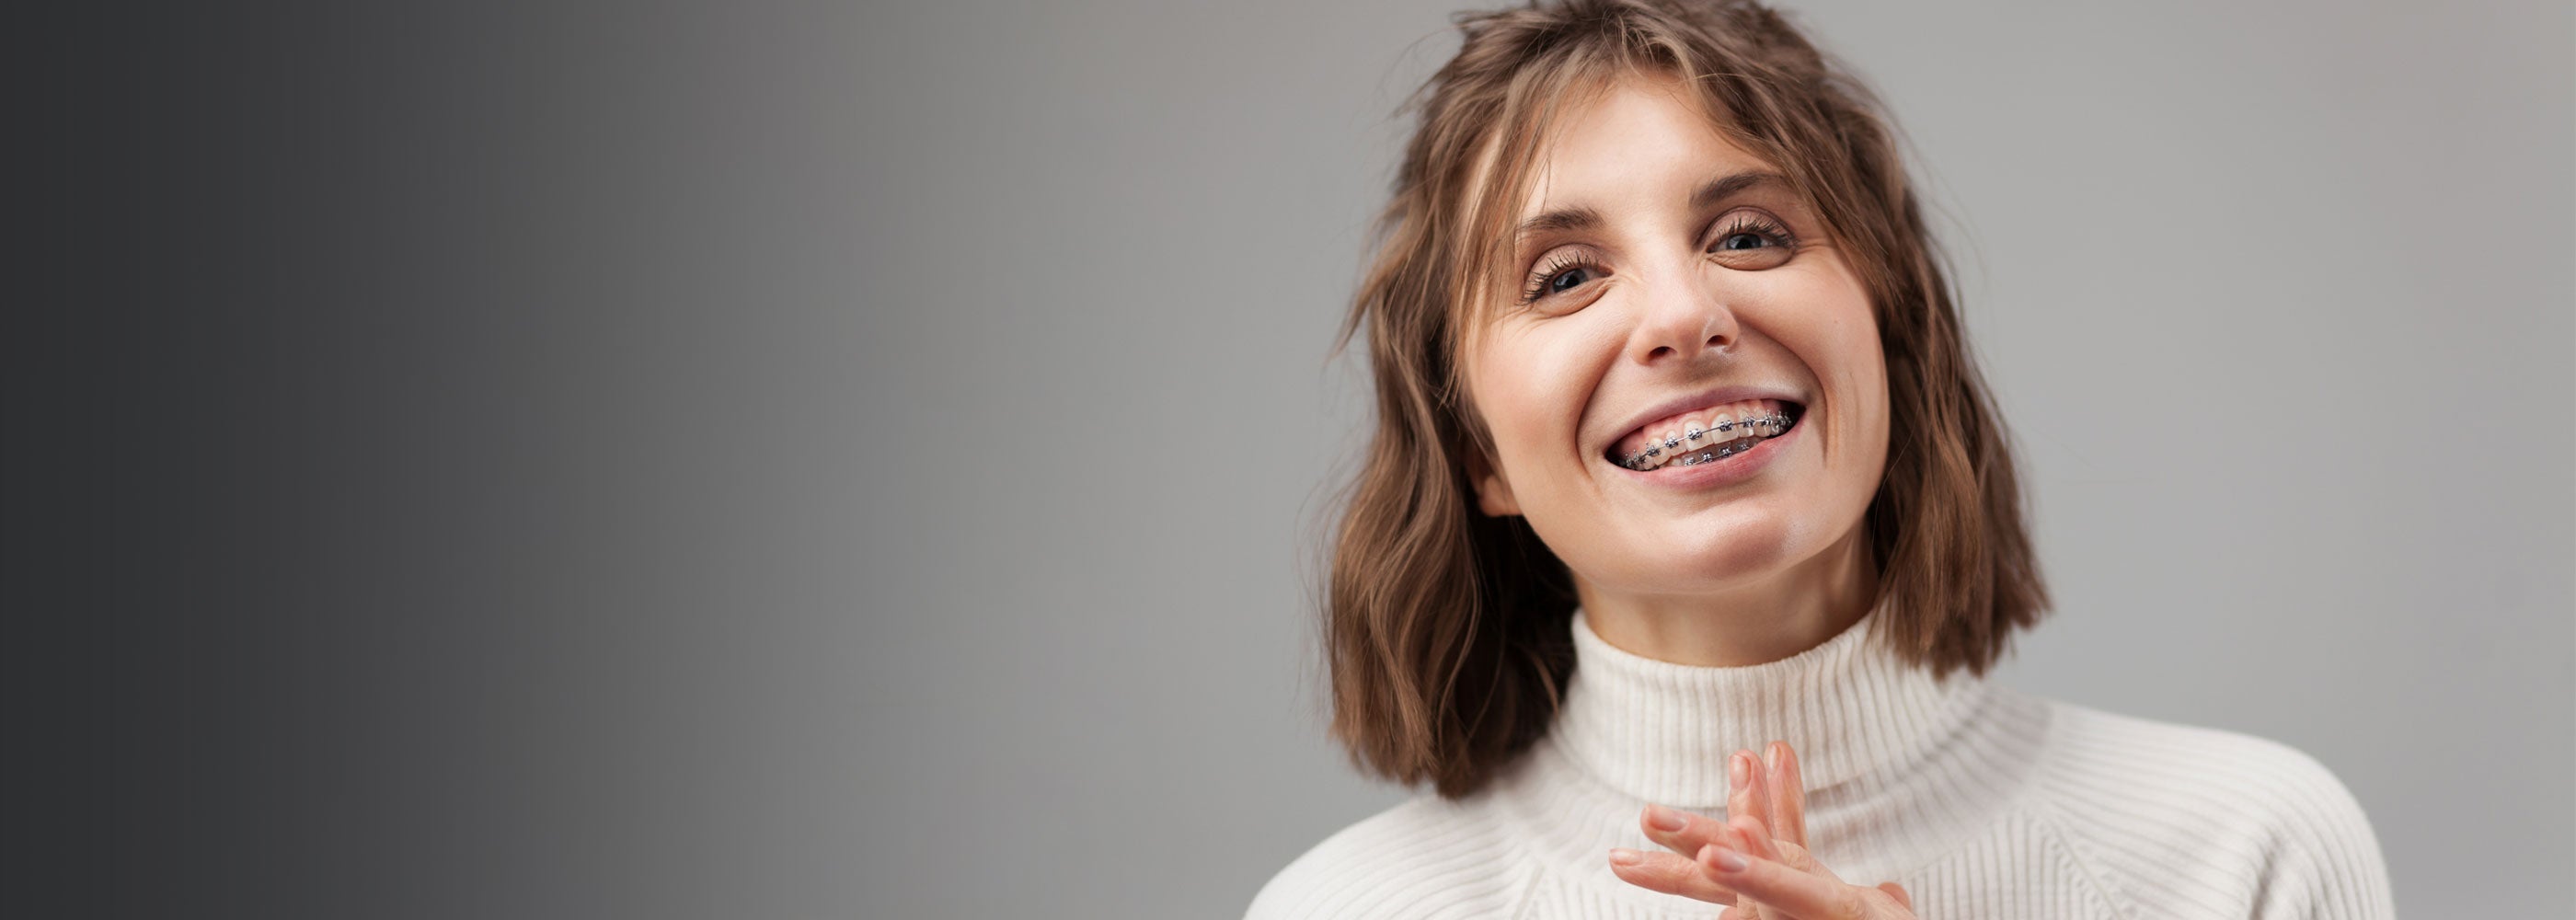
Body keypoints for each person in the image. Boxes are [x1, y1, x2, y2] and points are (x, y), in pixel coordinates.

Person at [1246, 1, 2398, 917]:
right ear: (1477, 453)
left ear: (1887, 336)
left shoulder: (2248, 855)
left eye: (1747, 235)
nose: (1682, 314)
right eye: (1566, 276)